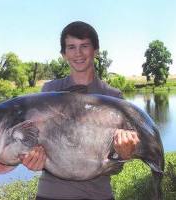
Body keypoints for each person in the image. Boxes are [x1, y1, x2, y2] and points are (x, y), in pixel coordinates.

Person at [20, 21, 140, 200]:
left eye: (84, 46)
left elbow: (117, 164)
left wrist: (124, 154)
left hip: (98, 195)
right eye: (71, 47)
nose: (78, 53)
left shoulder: (113, 96)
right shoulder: (49, 91)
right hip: (51, 194)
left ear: (96, 51)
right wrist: (34, 158)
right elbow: (37, 141)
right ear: (63, 54)